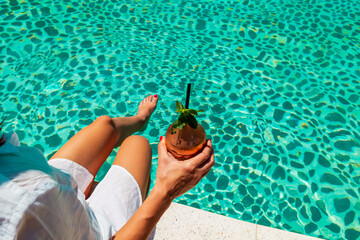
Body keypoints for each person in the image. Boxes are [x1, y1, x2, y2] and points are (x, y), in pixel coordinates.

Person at [0, 94, 215, 240]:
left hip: (52, 185)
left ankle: (140, 119)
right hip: (92, 230)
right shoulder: (23, 201)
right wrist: (166, 191)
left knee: (105, 125)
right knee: (137, 144)